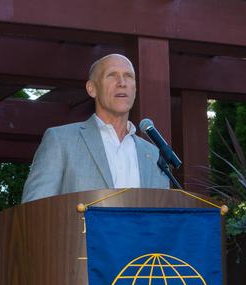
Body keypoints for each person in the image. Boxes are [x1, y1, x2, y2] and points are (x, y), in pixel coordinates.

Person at [21, 54, 169, 203]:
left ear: (135, 89)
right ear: (92, 89)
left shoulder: (154, 155)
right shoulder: (60, 140)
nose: (122, 83)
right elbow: (34, 210)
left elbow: (166, 218)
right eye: (112, 75)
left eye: (129, 76)